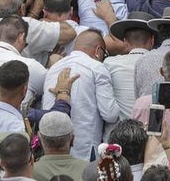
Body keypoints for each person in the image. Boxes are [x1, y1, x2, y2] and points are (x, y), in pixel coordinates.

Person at [41, 29, 118, 160]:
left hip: (51, 149)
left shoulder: (53, 68)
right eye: (104, 54)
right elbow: (110, 114)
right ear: (98, 51)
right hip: (84, 149)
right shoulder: (97, 67)